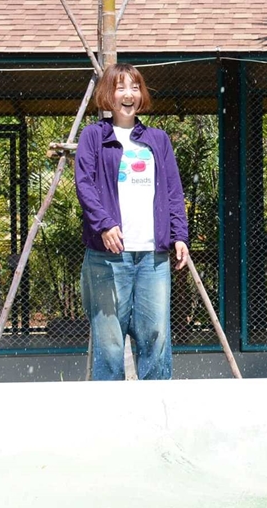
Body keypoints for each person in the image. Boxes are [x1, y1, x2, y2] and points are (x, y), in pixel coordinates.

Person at [74, 63, 189, 380]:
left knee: (156, 338)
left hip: (153, 257)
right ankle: (109, 421)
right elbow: (84, 185)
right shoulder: (93, 136)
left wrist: (180, 235)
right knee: (110, 343)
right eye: (121, 87)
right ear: (108, 94)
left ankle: (157, 417)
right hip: (107, 258)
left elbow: (173, 191)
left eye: (135, 87)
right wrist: (105, 224)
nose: (129, 94)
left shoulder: (158, 139)